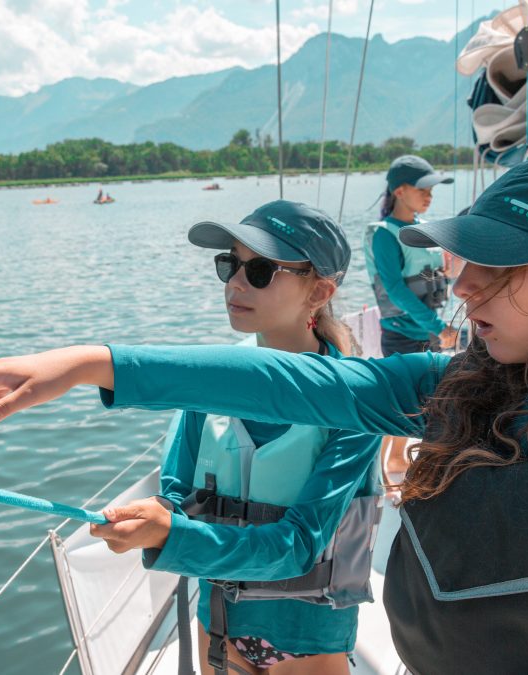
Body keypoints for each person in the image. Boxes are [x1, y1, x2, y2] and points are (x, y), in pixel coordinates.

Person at [0, 155, 528, 673]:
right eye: (469, 257)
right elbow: (303, 385)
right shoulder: (454, 388)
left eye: (503, 268)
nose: (464, 283)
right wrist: (90, 363)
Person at [99, 201, 381, 674]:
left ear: (321, 292)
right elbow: (176, 494)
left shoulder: (356, 402)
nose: (235, 282)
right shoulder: (209, 382)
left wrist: (174, 536)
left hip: (306, 639)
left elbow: (299, 545)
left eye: (261, 270)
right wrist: (150, 517)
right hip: (219, 625)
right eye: (230, 264)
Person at [365, 155, 459, 355]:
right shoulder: (385, 234)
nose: (429, 196)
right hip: (402, 338)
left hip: (430, 333)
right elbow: (396, 290)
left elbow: (435, 277)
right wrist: (440, 327)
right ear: (399, 191)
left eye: (431, 191)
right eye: (422, 190)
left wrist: (448, 273)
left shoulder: (427, 230)